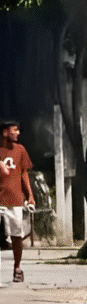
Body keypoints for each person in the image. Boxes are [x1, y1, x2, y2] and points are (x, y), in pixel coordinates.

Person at [0, 120, 35, 284]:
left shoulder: (20, 150)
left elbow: (24, 173)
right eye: (14, 130)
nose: (18, 133)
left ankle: (17, 268)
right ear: (5, 132)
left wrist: (30, 195)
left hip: (15, 199)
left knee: (16, 236)